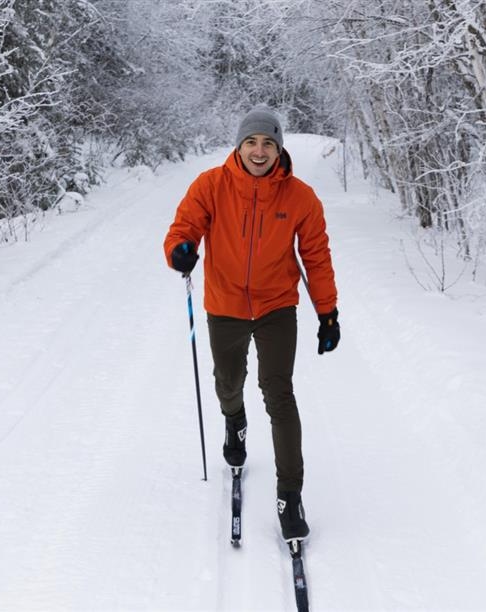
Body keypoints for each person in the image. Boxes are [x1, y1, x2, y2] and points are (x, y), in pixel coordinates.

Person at [163, 105, 339, 542]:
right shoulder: (211, 185)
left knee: (279, 393)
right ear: (238, 146)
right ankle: (233, 419)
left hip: (277, 305)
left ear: (279, 149)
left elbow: (316, 257)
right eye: (251, 142)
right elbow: (184, 228)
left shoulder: (301, 198)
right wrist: (180, 250)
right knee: (229, 381)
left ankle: (290, 495)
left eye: (268, 143)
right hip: (224, 304)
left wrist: (327, 312)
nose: (259, 152)